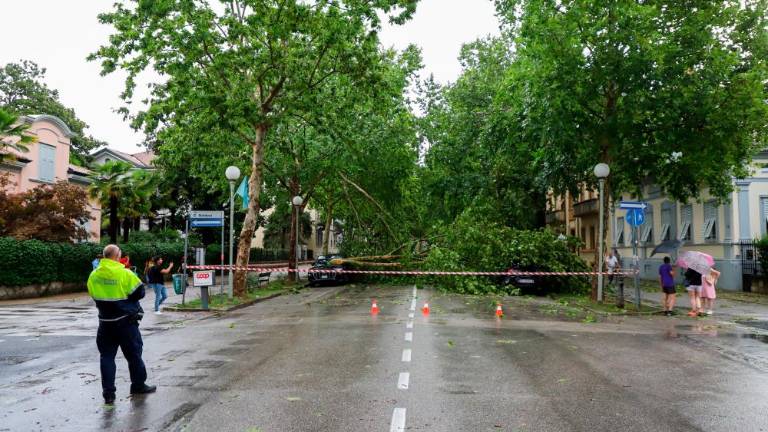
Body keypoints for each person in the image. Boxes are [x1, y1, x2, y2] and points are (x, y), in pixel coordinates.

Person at [87, 244, 156, 405]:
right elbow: (140, 292)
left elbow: (93, 293)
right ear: (118, 256)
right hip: (126, 323)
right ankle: (138, 385)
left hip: (105, 323)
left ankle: (109, 395)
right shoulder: (125, 273)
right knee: (134, 355)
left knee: (107, 357)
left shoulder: (94, 275)